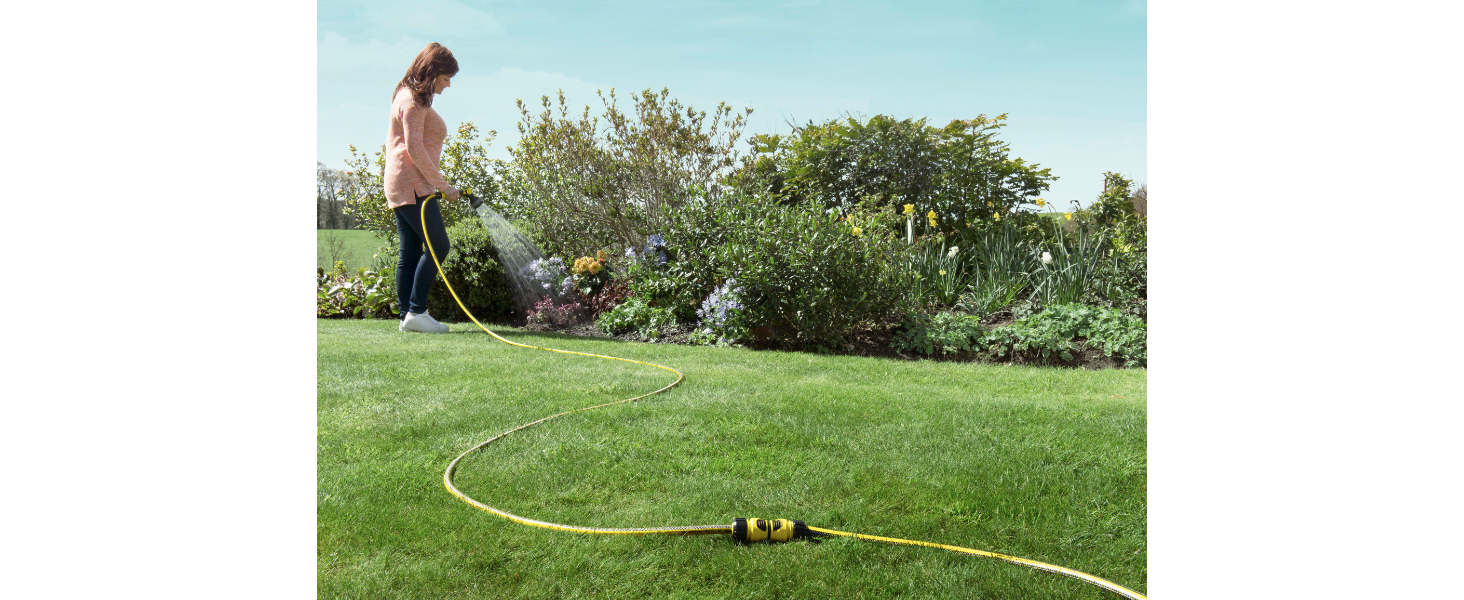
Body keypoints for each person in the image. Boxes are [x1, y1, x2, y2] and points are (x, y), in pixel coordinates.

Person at [384, 43, 461, 333]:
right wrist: (443, 186)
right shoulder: (414, 101)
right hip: (413, 183)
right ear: (432, 72)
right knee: (439, 246)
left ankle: (407, 317)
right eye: (445, 78)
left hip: (401, 182)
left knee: (410, 251)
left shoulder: (404, 95)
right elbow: (414, 148)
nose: (448, 84)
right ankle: (416, 311)